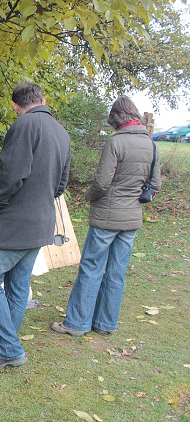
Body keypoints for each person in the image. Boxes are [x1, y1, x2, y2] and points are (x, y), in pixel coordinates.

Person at [0, 82, 71, 371]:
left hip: (14, 225)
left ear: (16, 105)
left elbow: (9, 177)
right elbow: (60, 185)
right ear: (42, 99)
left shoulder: (25, 126)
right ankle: (1, 340)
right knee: (17, 285)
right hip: (41, 223)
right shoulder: (61, 132)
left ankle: (10, 350)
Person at [51, 96, 161, 337]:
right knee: (117, 272)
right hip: (131, 219)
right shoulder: (150, 144)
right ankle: (105, 323)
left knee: (91, 267)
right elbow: (155, 184)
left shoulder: (116, 143)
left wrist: (88, 195)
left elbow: (101, 183)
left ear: (117, 119)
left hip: (107, 217)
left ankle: (77, 323)